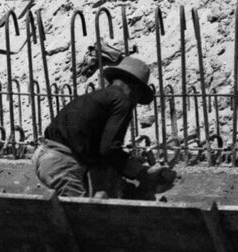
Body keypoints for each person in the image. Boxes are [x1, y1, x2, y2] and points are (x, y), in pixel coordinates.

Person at [34, 54, 155, 199]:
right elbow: (109, 149)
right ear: (135, 88)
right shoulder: (122, 102)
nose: (136, 102)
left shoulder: (99, 98)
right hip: (62, 164)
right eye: (139, 96)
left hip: (44, 156)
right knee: (85, 218)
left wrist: (128, 163)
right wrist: (140, 172)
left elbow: (99, 148)